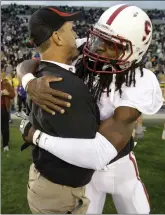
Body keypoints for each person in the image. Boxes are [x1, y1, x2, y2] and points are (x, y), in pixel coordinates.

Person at [18, 4, 163, 214]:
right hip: (83, 170)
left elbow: (99, 153)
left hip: (118, 165)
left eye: (111, 44)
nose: (99, 46)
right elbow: (31, 62)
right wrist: (29, 81)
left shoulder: (140, 82)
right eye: (99, 37)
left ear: (133, 51)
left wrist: (36, 136)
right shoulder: (87, 47)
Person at [19, 6, 102, 214]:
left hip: (45, 181)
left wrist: (27, 79)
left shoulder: (40, 74)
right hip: (60, 194)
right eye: (71, 30)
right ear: (57, 37)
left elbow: (28, 65)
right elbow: (94, 152)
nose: (76, 35)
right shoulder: (67, 86)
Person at [1, 74, 15, 152]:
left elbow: (13, 94)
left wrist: (6, 93)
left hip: (3, 109)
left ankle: (5, 145)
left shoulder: (6, 83)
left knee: (5, 127)